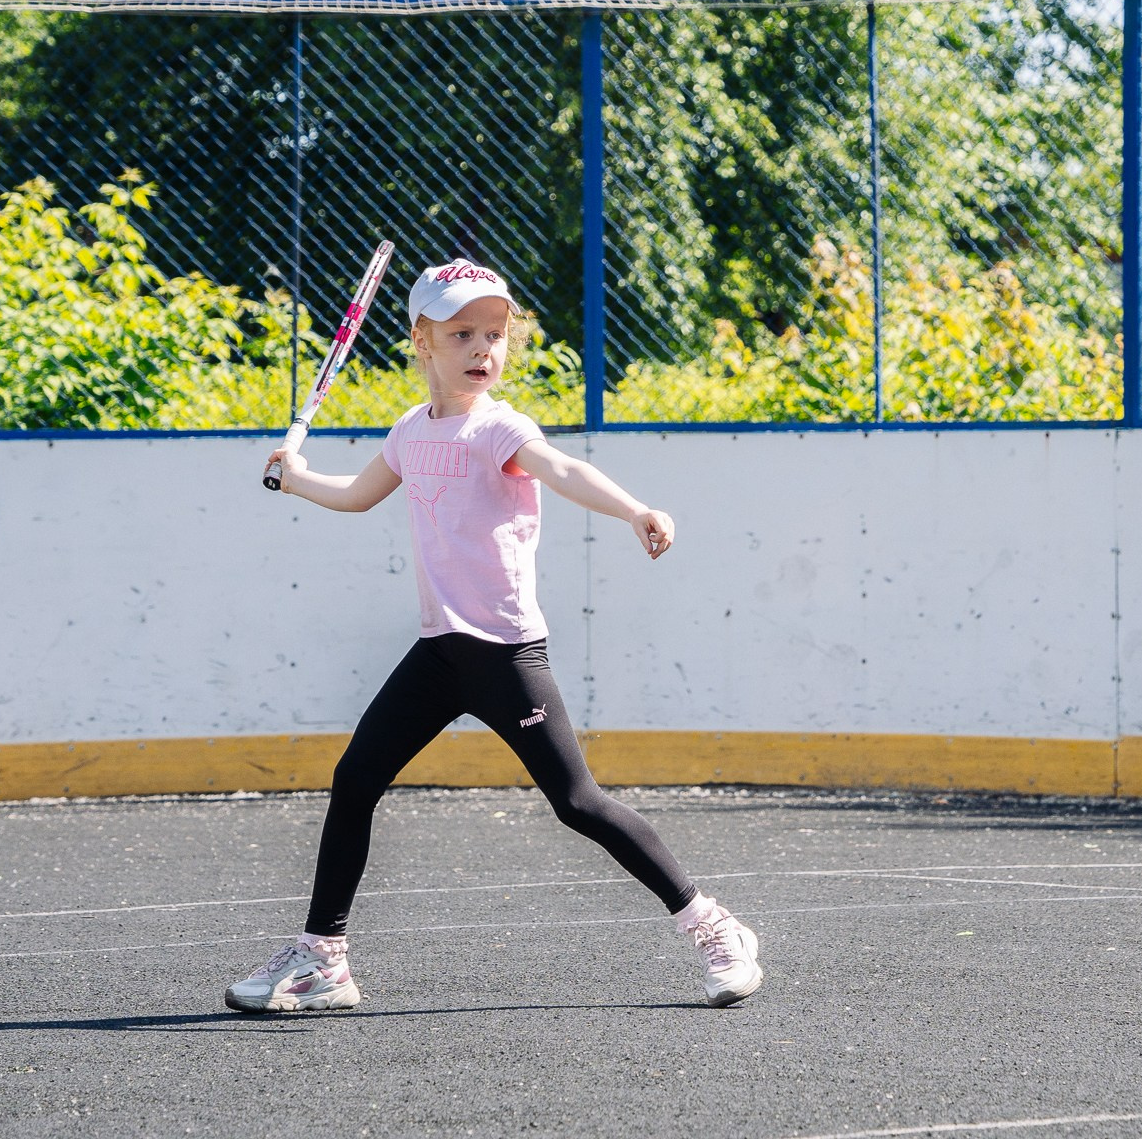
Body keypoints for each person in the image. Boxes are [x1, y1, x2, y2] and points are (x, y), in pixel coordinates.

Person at [225, 258, 762, 1013]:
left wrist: (635, 509)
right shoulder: (412, 430)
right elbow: (355, 496)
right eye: (463, 333)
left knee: (577, 803)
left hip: (505, 656)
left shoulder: (501, 427)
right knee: (355, 781)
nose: (485, 348)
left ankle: (714, 926)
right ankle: (324, 961)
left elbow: (563, 468)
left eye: (496, 334)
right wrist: (294, 477)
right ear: (422, 340)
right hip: (440, 652)